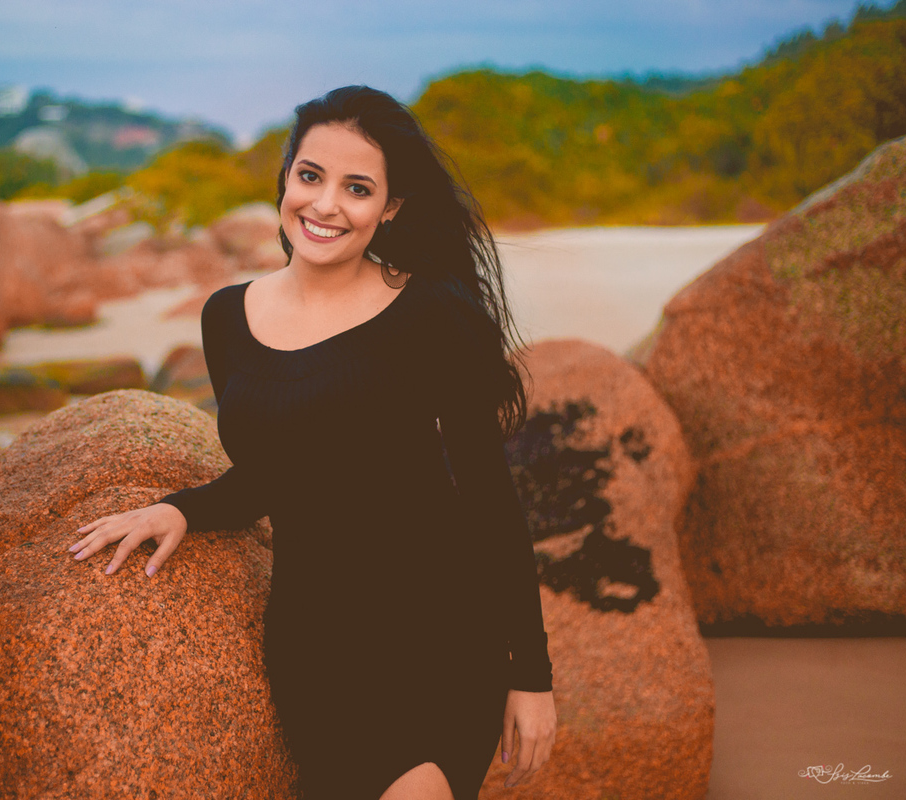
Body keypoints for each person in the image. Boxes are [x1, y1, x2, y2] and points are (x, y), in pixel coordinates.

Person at [69, 85, 556, 800]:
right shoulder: (228, 318)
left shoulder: (431, 315)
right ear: (286, 179)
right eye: (310, 176)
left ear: (391, 207)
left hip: (444, 634)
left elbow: (488, 501)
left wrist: (531, 674)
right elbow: (273, 474)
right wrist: (179, 509)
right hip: (317, 647)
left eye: (357, 188)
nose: (326, 206)